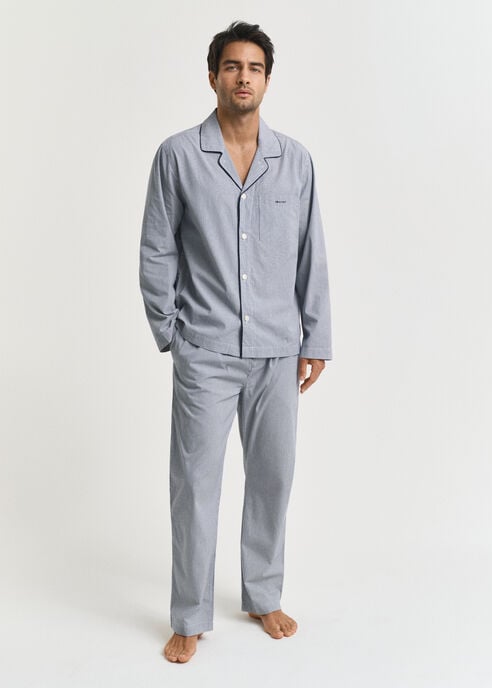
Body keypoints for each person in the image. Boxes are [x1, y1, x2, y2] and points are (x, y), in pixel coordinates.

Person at [139, 20, 333, 663]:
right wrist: (172, 332)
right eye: (231, 66)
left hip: (278, 350)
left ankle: (263, 594)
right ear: (213, 76)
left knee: (273, 479)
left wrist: (315, 337)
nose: (242, 77)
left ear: (267, 80)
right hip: (206, 349)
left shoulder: (295, 160)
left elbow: (311, 253)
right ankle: (189, 615)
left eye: (253, 67)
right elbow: (157, 248)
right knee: (194, 486)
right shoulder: (177, 156)